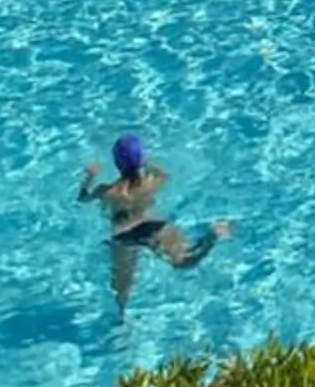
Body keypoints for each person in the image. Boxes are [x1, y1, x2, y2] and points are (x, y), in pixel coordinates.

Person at [77, 134, 230, 314]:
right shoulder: (152, 182)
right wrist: (147, 161)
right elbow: (164, 173)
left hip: (124, 237)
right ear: (141, 159)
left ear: (116, 163)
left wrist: (90, 176)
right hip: (152, 226)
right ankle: (211, 236)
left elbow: (82, 198)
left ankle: (122, 319)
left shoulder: (107, 191)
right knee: (184, 261)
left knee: (122, 287)